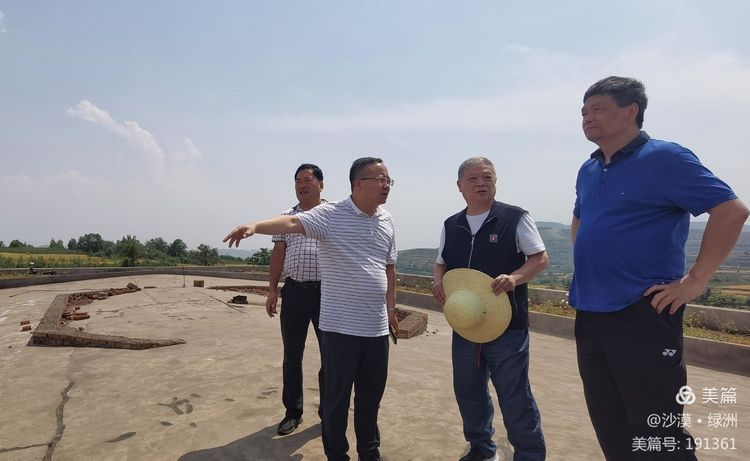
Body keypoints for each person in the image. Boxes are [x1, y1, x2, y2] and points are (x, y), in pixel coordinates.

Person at [570, 76, 749, 460]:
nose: (587, 117)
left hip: (643, 311)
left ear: (631, 111)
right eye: (583, 112)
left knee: (656, 430)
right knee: (610, 424)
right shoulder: (589, 169)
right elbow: (580, 218)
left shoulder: (665, 158)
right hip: (590, 312)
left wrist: (695, 280)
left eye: (598, 109)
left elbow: (731, 210)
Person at [224, 157, 398, 461]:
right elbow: (291, 223)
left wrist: (391, 308)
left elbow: (389, 266)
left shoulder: (386, 220)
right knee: (336, 397)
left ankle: (370, 454)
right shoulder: (330, 214)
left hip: (376, 327)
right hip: (339, 324)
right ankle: (333, 451)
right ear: (359, 184)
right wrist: (254, 226)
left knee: (370, 399)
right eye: (380, 179)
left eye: (388, 180)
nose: (386, 185)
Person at [433, 157, 548, 461]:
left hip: (507, 327)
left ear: (496, 182)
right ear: (460, 186)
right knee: (468, 391)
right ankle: (481, 450)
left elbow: (540, 258)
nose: (481, 183)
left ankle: (529, 455)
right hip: (466, 324)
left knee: (514, 395)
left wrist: (515, 278)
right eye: (472, 179)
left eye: (487, 177)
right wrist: (438, 281)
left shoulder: (514, 218)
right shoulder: (452, 224)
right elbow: (441, 262)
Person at [267, 163, 326, 436]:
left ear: (320, 185)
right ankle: (293, 412)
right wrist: (272, 289)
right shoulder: (286, 217)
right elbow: (278, 253)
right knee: (292, 355)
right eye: (298, 180)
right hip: (294, 292)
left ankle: (329, 411)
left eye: (308, 180)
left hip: (328, 293)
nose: (302, 185)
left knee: (332, 356)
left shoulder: (333, 214)